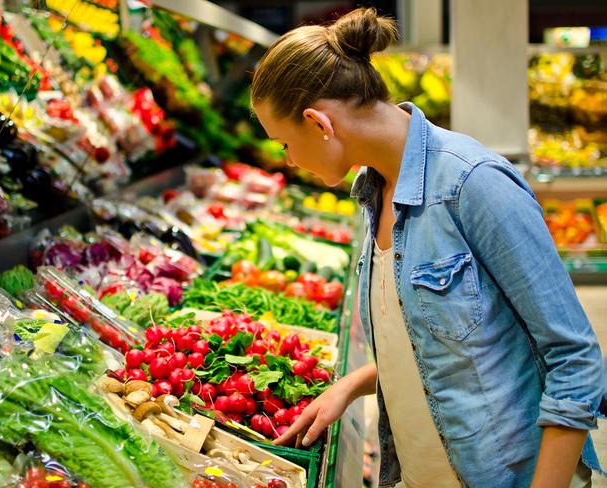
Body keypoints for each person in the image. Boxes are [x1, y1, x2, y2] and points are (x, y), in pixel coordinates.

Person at [250, 7, 604, 488]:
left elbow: (575, 360)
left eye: (283, 144)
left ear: (319, 123)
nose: (288, 161)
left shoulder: (473, 185)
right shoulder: (374, 191)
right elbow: (441, 337)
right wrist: (353, 386)